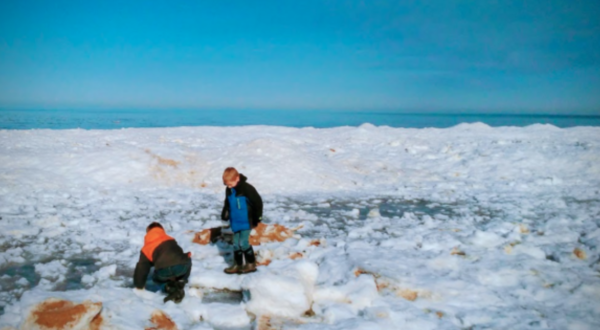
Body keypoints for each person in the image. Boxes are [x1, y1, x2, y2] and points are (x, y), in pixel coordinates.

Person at [133, 222, 192, 303]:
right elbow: (179, 255)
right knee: (187, 260)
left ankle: (169, 287)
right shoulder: (171, 240)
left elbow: (142, 268)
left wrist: (139, 285)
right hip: (181, 268)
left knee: (155, 277)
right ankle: (181, 282)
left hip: (163, 271)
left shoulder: (147, 248)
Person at [221, 167, 263, 274]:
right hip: (235, 220)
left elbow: (258, 202)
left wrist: (258, 217)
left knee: (243, 243)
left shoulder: (247, 189)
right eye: (227, 185)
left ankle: (250, 263)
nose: (229, 186)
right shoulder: (229, 189)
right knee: (236, 244)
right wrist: (225, 212)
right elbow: (227, 202)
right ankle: (237, 265)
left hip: (246, 220)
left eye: (231, 184)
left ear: (237, 178)